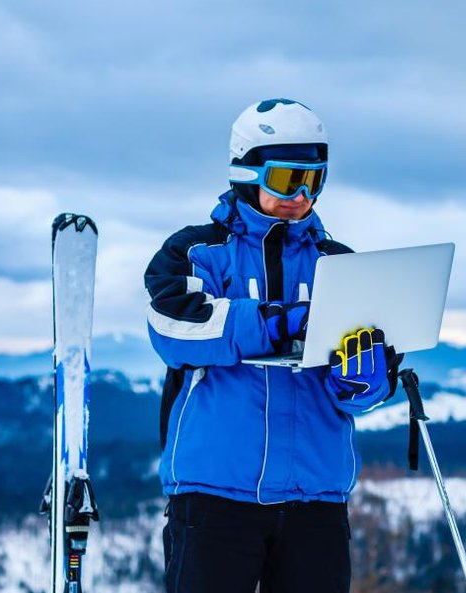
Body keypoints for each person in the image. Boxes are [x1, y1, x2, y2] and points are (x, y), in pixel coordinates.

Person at [144, 98, 402, 593]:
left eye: (314, 179)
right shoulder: (198, 252)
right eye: (287, 179)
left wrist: (366, 383)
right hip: (216, 496)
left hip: (316, 499)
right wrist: (275, 323)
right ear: (245, 171)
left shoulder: (339, 265)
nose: (301, 195)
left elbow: (361, 387)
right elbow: (173, 329)